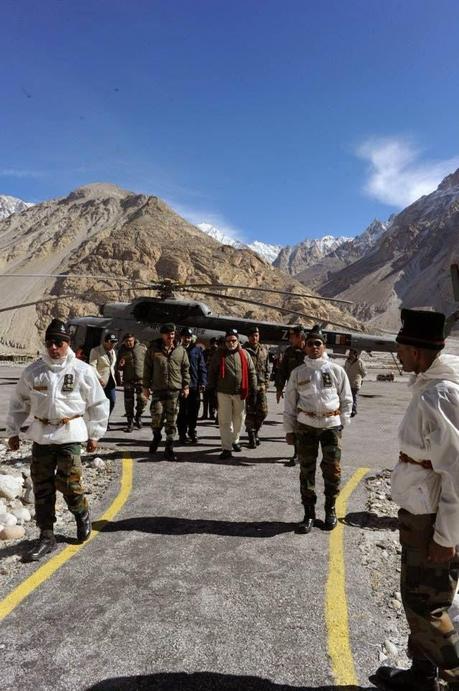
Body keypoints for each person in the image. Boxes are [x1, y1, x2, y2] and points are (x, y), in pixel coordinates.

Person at [370, 309, 459, 691]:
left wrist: (446, 536)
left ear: (419, 353)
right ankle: (421, 675)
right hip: (421, 515)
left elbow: (457, 470)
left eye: (402, 347)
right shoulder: (427, 386)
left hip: (433, 520)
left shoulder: (441, 396)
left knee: (427, 606)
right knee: (414, 599)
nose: (398, 354)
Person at [6, 319, 109, 562]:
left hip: (69, 434)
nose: (54, 347)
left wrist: (95, 434)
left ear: (68, 343)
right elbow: (19, 403)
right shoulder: (33, 371)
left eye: (59, 342)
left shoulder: (82, 370)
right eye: (50, 342)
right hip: (41, 435)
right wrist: (13, 431)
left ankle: (81, 513)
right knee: (42, 487)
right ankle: (46, 535)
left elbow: (98, 403)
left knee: (70, 484)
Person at [283, 325, 352, 533]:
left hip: (331, 426)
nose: (314, 347)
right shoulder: (298, 373)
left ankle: (330, 510)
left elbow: (347, 398)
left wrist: (342, 421)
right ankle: (309, 514)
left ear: (324, 347)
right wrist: (289, 430)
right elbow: (289, 404)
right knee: (307, 471)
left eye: (318, 343)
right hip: (306, 426)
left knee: (332, 470)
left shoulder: (337, 370)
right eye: (310, 343)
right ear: (305, 347)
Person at [142, 323, 190, 461]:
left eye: (173, 334)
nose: (171, 336)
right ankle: (157, 435)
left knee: (172, 421)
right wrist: (145, 387)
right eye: (168, 334)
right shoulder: (153, 350)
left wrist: (186, 386)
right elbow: (147, 369)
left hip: (174, 391)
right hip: (158, 390)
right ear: (162, 335)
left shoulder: (181, 350)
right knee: (156, 417)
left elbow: (185, 369)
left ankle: (169, 447)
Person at [207, 329, 257, 460]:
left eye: (233, 340)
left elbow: (252, 372)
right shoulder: (219, 354)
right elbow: (212, 372)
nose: (231, 343)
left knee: (239, 419)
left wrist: (254, 389)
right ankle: (226, 448)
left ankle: (235, 440)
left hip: (240, 393)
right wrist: (210, 390)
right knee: (225, 421)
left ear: (237, 340)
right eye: (228, 341)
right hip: (223, 393)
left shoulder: (245, 354)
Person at [275, 325, 306, 466]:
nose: (290, 339)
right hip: (293, 392)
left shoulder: (309, 351)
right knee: (294, 421)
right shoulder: (289, 352)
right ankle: (297, 453)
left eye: (292, 337)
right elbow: (282, 371)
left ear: (300, 337)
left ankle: (305, 452)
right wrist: (279, 388)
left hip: (308, 393)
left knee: (306, 422)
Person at [177, 327, 207, 444]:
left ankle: (192, 431)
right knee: (183, 411)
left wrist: (203, 382)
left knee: (194, 411)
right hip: (181, 386)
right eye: (185, 337)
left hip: (194, 386)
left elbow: (202, 368)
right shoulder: (177, 350)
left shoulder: (197, 350)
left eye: (189, 337)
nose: (187, 339)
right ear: (181, 337)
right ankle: (182, 434)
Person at [243, 326, 270, 448]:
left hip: (261, 386)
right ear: (249, 337)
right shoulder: (243, 350)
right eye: (252, 335)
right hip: (248, 386)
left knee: (263, 412)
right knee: (250, 412)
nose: (255, 338)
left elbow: (267, 369)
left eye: (257, 335)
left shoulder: (264, 350)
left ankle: (255, 430)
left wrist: (267, 383)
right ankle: (251, 436)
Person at [116, 333, 146, 432]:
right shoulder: (122, 350)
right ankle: (130, 422)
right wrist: (120, 365)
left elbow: (149, 362)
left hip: (141, 379)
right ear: (124, 342)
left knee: (142, 400)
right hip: (128, 379)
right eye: (127, 341)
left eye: (131, 341)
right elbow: (118, 366)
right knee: (129, 403)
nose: (129, 343)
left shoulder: (142, 348)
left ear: (134, 340)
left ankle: (138, 416)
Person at [89, 333, 118, 427]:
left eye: (115, 343)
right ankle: (99, 422)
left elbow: (111, 366)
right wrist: (99, 378)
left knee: (112, 401)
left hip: (111, 381)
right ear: (105, 342)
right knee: (99, 403)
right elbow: (92, 366)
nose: (113, 344)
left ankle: (105, 419)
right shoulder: (96, 351)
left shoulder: (113, 351)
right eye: (111, 342)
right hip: (100, 382)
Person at [344, 348, 367, 417]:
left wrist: (359, 379)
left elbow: (364, 372)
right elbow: (345, 370)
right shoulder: (347, 361)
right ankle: (348, 410)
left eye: (351, 353)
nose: (350, 355)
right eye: (349, 353)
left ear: (355, 354)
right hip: (348, 383)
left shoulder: (359, 362)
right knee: (348, 397)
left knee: (354, 397)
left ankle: (353, 410)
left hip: (355, 383)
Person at [202, 338, 218, 420]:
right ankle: (204, 414)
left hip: (213, 379)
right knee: (205, 398)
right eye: (213, 343)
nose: (214, 345)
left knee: (212, 398)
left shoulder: (218, 353)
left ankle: (212, 414)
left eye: (216, 343)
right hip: (206, 377)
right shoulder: (205, 352)